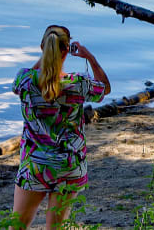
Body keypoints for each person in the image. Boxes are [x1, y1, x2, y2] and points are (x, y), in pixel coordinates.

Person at [10, 25, 111, 230]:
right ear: (66, 50)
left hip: (35, 167)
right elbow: (105, 88)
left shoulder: (25, 81)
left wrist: (46, 55)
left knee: (17, 227)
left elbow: (20, 83)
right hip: (69, 166)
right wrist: (89, 57)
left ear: (42, 47)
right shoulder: (78, 83)